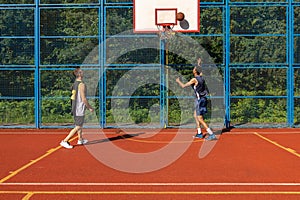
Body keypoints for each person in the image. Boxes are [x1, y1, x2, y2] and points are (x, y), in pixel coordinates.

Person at [176, 58, 217, 141]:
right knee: (195, 115)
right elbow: (200, 70)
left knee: (200, 118)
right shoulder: (201, 77)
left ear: (195, 71)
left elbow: (183, 86)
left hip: (199, 100)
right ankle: (199, 133)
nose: (193, 69)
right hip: (202, 99)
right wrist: (199, 64)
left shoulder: (194, 79)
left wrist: (178, 81)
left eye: (194, 69)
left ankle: (211, 134)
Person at [60, 67, 94, 149]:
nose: (83, 72)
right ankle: (65, 141)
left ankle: (80, 139)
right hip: (79, 107)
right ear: (79, 74)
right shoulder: (81, 84)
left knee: (79, 124)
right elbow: (83, 98)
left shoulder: (75, 83)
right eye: (82, 72)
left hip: (75, 106)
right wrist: (89, 107)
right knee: (78, 125)